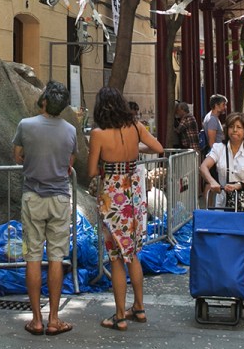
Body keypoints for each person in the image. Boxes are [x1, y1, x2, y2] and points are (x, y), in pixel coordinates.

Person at [87, 87, 164, 331]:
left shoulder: (98, 134)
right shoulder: (136, 127)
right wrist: (136, 149)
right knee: (132, 253)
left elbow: (91, 171)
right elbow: (158, 148)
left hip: (112, 197)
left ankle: (120, 316)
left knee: (116, 257)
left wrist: (106, 166)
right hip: (133, 195)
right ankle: (139, 307)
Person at [13, 81, 77, 336]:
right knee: (56, 258)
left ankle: (36, 320)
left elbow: (17, 155)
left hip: (32, 197)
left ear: (45, 101)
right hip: (60, 198)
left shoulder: (25, 125)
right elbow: (70, 163)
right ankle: (54, 319)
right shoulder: (71, 130)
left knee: (32, 257)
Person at [199, 113, 244, 293]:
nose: (235, 130)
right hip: (223, 201)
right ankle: (223, 284)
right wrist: (212, 181)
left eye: (239, 127)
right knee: (222, 243)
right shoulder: (219, 148)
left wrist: (239, 185)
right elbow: (204, 166)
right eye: (232, 127)